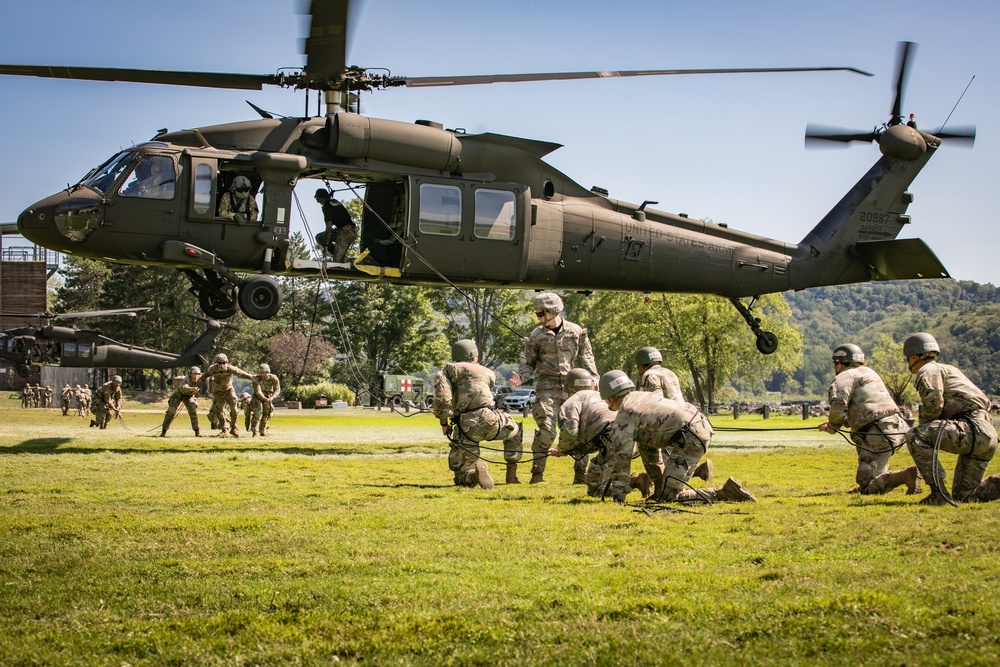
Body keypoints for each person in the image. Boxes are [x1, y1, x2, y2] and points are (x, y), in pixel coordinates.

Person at [599, 370, 756, 504]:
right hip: (698, 427)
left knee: (671, 496)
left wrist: (618, 496)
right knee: (646, 449)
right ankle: (661, 490)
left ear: (609, 398)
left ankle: (723, 494)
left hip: (689, 438)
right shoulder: (641, 397)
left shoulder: (625, 412)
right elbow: (648, 447)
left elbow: (622, 458)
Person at [510, 292, 598, 484]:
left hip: (573, 387)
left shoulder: (576, 332)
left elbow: (586, 356)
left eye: (542, 313)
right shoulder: (536, 335)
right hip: (546, 387)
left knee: (578, 430)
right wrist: (521, 378)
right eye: (537, 314)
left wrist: (594, 377)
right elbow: (528, 363)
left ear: (554, 311)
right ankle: (537, 476)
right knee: (547, 430)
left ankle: (580, 476)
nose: (539, 318)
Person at [902, 333, 1000, 504]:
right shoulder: (949, 369)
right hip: (987, 435)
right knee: (965, 496)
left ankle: (938, 494)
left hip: (970, 429)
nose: (908, 363)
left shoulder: (927, 370)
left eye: (908, 358)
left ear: (915, 356)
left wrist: (924, 427)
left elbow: (933, 403)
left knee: (914, 435)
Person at [817, 344, 921, 495]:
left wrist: (833, 426)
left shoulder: (844, 376)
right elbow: (865, 410)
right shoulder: (869, 373)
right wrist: (839, 423)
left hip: (877, 432)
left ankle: (905, 476)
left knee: (868, 489)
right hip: (895, 427)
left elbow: (838, 405)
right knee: (875, 477)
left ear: (839, 363)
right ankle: (876, 482)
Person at [433, 339, 522, 490]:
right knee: (515, 430)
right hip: (492, 421)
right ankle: (511, 474)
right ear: (474, 357)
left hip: (467, 428)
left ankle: (474, 475)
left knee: (461, 475)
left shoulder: (449, 369)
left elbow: (443, 399)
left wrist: (444, 423)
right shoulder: (487, 371)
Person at [548, 368, 619, 497]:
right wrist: (568, 450)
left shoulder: (572, 401)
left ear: (568, 386)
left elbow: (570, 431)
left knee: (594, 483)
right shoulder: (602, 396)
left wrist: (562, 449)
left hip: (609, 438)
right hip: (627, 436)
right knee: (614, 469)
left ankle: (634, 482)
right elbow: (589, 445)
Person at [203, 353, 254, 437]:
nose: (222, 365)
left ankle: (233, 428)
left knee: (234, 409)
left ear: (226, 363)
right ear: (216, 363)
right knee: (220, 411)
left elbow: (241, 373)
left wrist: (251, 376)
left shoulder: (230, 368)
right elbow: (204, 376)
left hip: (229, 390)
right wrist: (195, 384)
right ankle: (224, 429)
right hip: (218, 392)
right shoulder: (212, 369)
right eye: (219, 363)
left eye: (223, 363)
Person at [314, 188, 357, 262]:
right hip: (343, 230)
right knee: (320, 237)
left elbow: (329, 227)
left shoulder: (327, 207)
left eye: (317, 200)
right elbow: (339, 216)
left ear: (320, 198)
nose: (318, 202)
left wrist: (326, 246)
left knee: (337, 261)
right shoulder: (334, 202)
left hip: (346, 232)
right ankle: (338, 254)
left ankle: (361, 261)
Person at [160, 367, 203, 437]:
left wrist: (196, 393)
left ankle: (197, 431)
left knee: (193, 411)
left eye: (197, 374)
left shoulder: (199, 381)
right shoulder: (186, 379)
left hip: (189, 397)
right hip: (178, 395)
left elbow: (198, 395)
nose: (195, 376)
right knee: (171, 412)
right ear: (190, 374)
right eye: (194, 374)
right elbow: (184, 388)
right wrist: (192, 389)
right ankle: (164, 431)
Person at [250, 363, 281, 437]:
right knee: (258, 412)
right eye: (261, 372)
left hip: (268, 397)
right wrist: (263, 398)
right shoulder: (256, 379)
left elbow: (277, 389)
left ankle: (263, 430)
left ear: (268, 372)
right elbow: (258, 391)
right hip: (257, 397)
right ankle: (255, 431)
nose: (263, 374)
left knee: (266, 414)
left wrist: (272, 397)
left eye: (265, 372)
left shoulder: (273, 378)